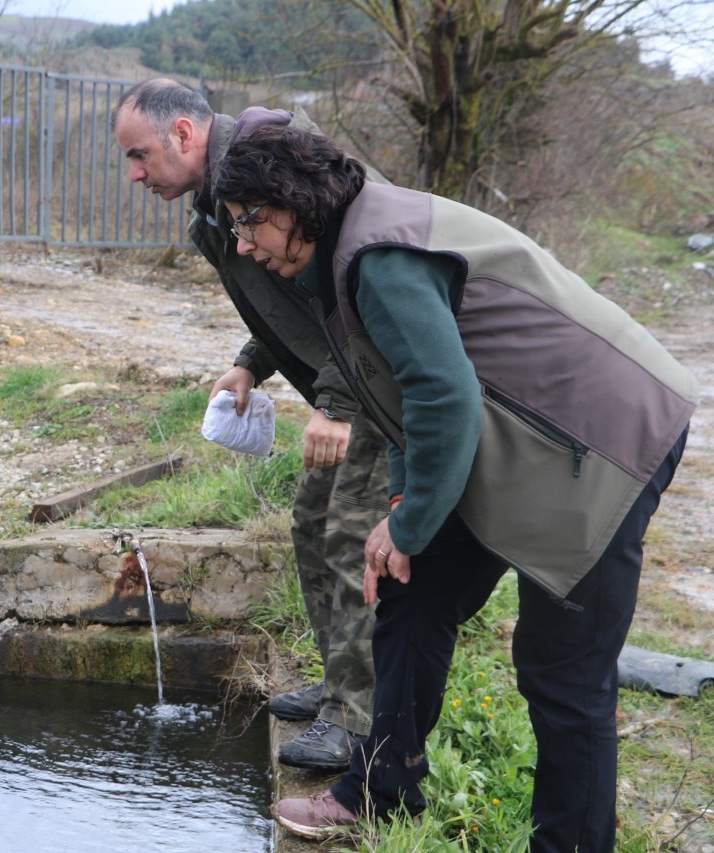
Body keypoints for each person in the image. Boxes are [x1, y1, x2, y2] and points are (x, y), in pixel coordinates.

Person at [213, 123, 697, 851]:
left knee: (563, 673)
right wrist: (408, 508)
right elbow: (407, 398)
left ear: (293, 201)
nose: (243, 245)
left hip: (605, 438)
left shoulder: (379, 258)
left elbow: (445, 401)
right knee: (413, 583)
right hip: (523, 435)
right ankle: (381, 789)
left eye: (250, 222)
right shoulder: (342, 255)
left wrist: (404, 523)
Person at [112, 79, 390, 771]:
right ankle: (339, 683)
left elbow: (352, 290)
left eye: (140, 154)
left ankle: (358, 721)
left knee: (351, 534)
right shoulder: (216, 212)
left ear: (182, 133)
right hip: (348, 384)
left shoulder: (280, 166)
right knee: (311, 522)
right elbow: (283, 294)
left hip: (383, 382)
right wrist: (249, 364)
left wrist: (337, 405)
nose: (134, 174)